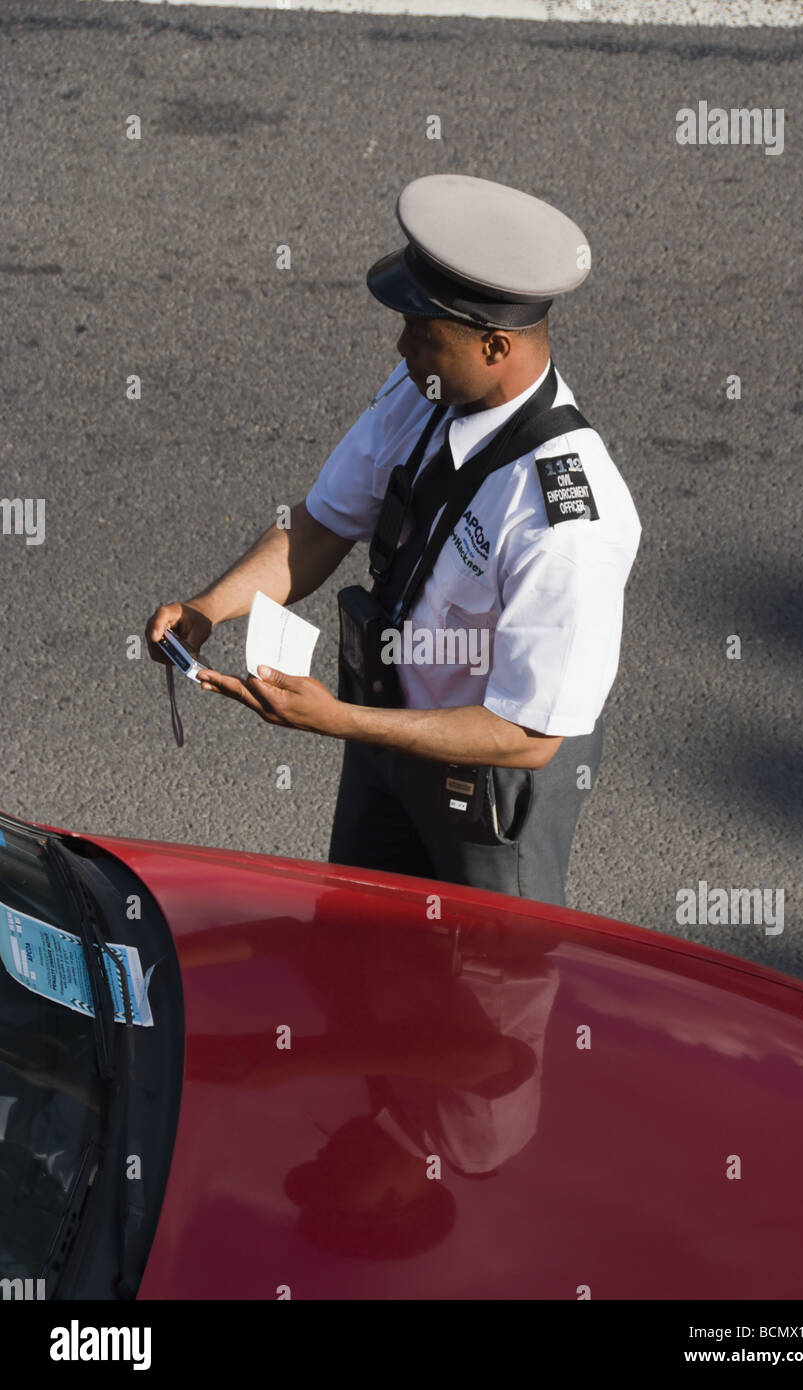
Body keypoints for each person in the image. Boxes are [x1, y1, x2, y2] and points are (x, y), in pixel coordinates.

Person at [146, 174, 642, 906]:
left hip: (487, 780)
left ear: (496, 345)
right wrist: (208, 609)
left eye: (425, 333)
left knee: (492, 988)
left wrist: (337, 721)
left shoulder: (567, 521)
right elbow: (320, 524)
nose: (401, 344)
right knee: (359, 931)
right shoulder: (427, 390)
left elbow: (528, 733)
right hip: (386, 726)